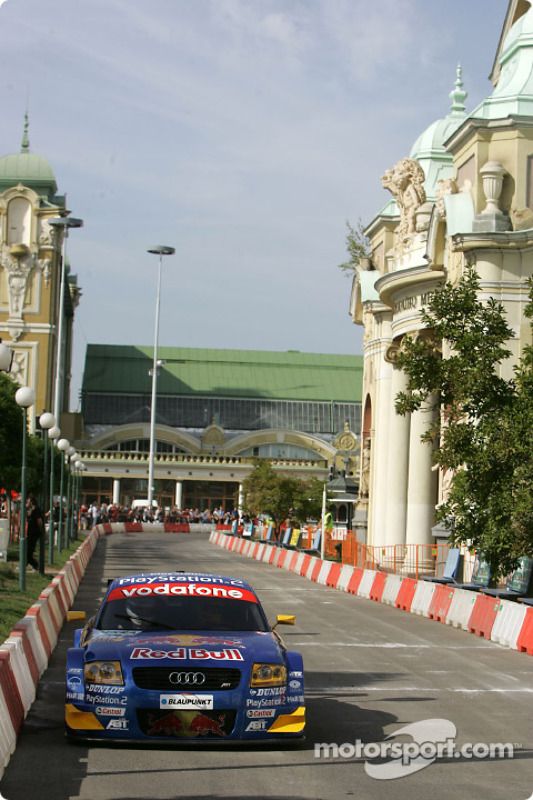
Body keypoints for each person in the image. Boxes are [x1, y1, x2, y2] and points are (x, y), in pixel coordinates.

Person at [26, 495, 44, 572]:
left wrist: (40, 530)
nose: (27, 502)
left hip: (34, 533)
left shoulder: (36, 510)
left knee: (28, 552)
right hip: (31, 533)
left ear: (32, 502)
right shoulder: (32, 510)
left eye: (28, 501)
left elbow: (39, 521)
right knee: (28, 550)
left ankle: (36, 565)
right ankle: (27, 565)